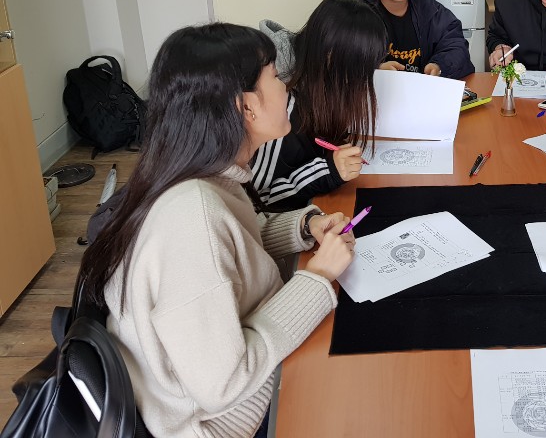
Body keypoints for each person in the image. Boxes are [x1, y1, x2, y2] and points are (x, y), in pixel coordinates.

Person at [77, 23, 356, 438]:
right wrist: (316, 278)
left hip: (237, 384)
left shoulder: (204, 176)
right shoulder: (191, 217)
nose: (286, 88)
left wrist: (303, 225)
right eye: (275, 76)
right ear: (246, 107)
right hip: (216, 423)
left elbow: (233, 242)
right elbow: (224, 385)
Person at [253, 0, 387, 211]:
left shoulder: (319, 76)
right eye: (359, 67)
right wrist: (328, 170)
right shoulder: (279, 100)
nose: (363, 79)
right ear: (331, 55)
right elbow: (259, 200)